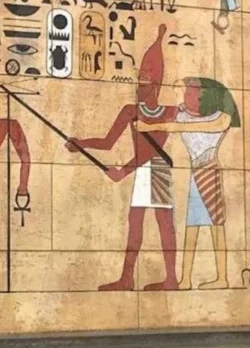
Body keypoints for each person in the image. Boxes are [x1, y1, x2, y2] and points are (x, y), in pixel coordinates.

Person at [67, 25, 180, 291]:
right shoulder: (131, 110)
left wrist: (123, 171)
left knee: (164, 223)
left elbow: (151, 151)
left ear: (156, 83)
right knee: (135, 222)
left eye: (145, 78)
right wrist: (81, 144)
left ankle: (171, 279)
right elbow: (108, 143)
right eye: (139, 77)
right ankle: (127, 278)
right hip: (141, 169)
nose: (140, 83)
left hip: (157, 168)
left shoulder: (168, 112)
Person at [135, 76, 240, 289]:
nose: (178, 95)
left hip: (209, 171)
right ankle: (185, 279)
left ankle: (222, 278)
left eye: (182, 91)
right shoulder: (183, 115)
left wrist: (147, 126)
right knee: (192, 226)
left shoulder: (219, 118)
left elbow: (179, 127)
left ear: (197, 95)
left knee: (216, 226)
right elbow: (172, 122)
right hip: (195, 174)